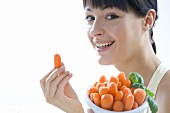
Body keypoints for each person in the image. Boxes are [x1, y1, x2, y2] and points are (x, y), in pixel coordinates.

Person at [39, 0, 170, 113]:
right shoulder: (117, 100)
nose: (94, 31)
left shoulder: (167, 93)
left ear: (148, 20)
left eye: (111, 16)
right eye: (90, 17)